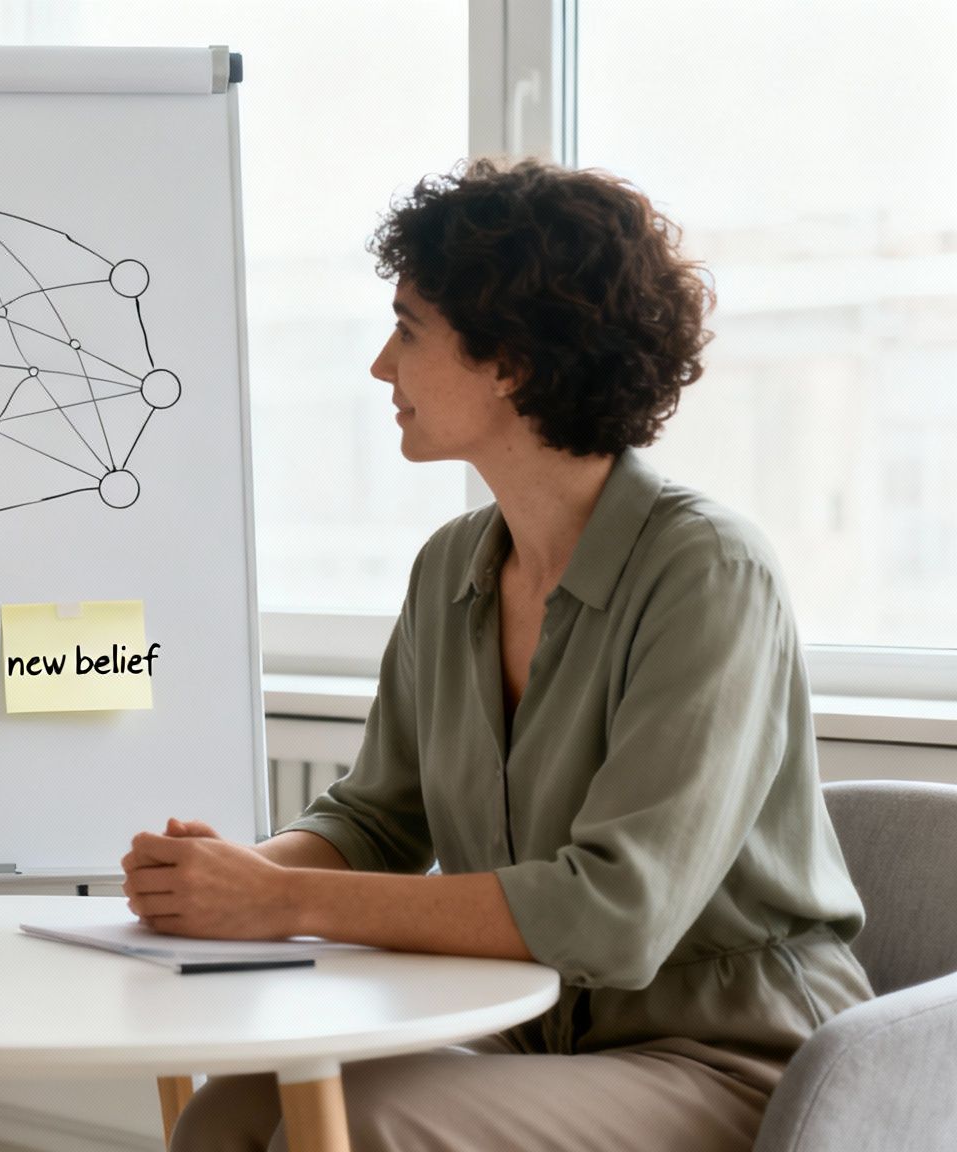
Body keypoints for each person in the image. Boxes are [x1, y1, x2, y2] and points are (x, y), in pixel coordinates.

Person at [132, 159, 874, 1152]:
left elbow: (616, 912)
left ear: (509, 360)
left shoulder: (705, 572)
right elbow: (375, 817)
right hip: (529, 1043)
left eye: (406, 329)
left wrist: (277, 901)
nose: (379, 368)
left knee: (366, 1122)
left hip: (731, 1064)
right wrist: (217, 883)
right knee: (235, 1108)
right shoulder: (452, 564)